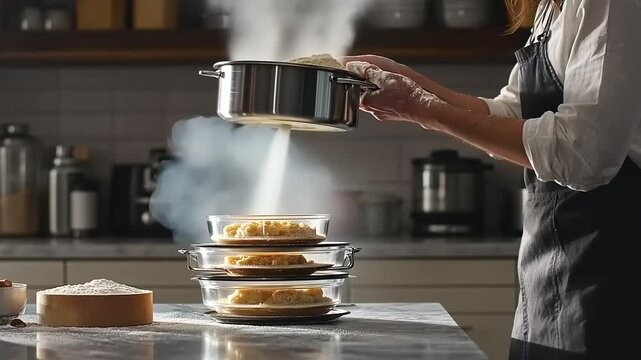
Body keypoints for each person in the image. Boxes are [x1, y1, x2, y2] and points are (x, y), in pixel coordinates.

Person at [341, 0, 641, 359]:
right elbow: (508, 112)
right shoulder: (551, 9)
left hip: (609, 275)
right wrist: (409, 83)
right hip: (547, 276)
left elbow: (584, 154)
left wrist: (420, 107)